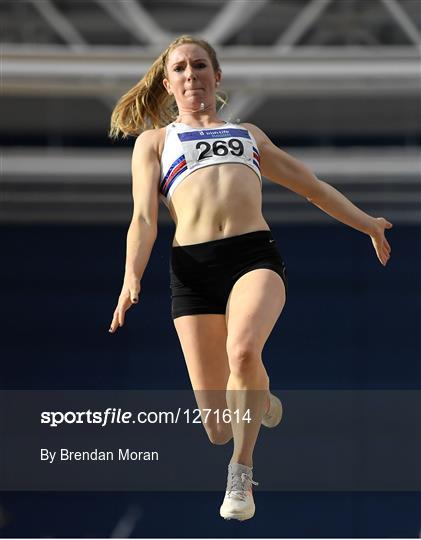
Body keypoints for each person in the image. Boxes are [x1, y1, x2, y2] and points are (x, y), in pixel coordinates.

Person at [108, 34, 392, 521]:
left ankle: (241, 472)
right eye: (180, 68)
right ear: (168, 82)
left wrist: (367, 223)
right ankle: (257, 397)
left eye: (200, 65)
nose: (191, 74)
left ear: (216, 77)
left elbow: (313, 187)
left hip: (252, 257)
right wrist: (132, 276)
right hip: (193, 271)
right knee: (218, 425)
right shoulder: (155, 143)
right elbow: (143, 219)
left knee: (243, 352)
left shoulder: (249, 135)